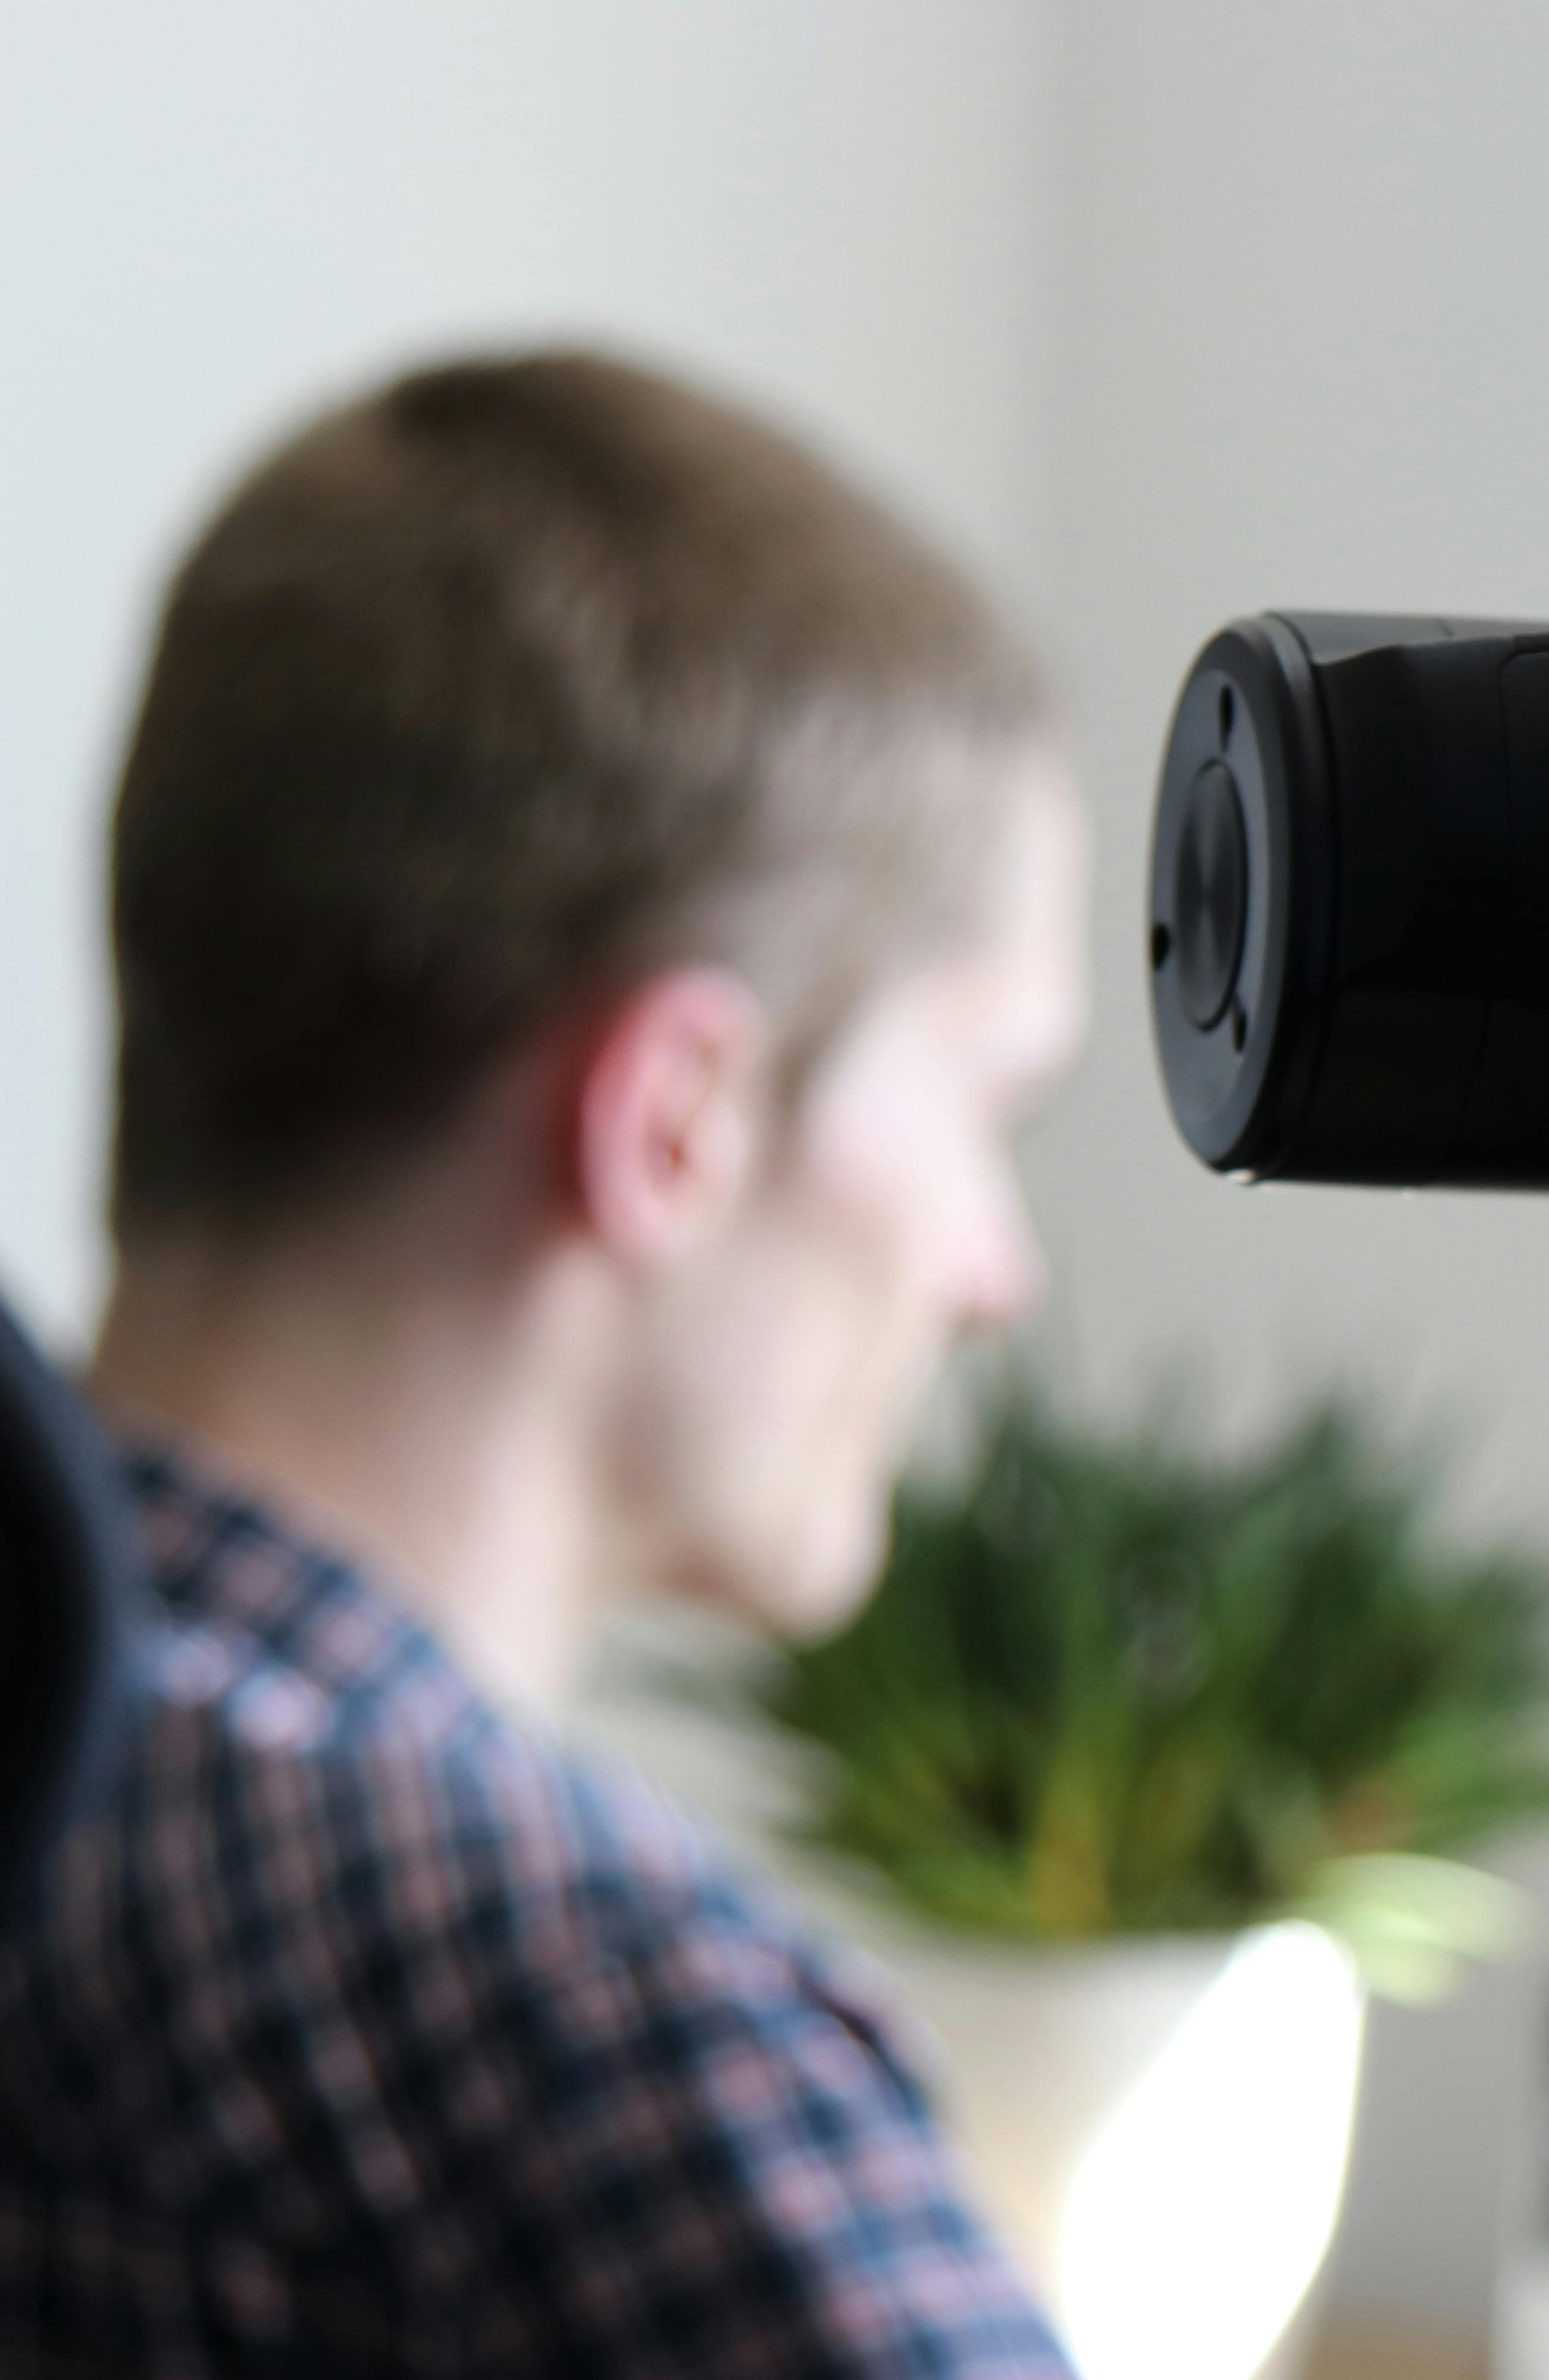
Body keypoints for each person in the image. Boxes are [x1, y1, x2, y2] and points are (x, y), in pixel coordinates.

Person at [0, 355, 1084, 2374]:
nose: (990, 1270)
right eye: (982, 1109)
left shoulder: (73, 1829)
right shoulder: (601, 2037)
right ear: (675, 1116)